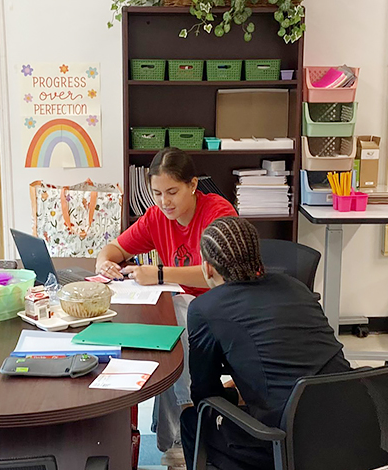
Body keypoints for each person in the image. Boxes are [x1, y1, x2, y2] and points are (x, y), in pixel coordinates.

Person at [95, 147, 236, 466]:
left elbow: (215, 272)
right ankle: (171, 437)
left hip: (222, 307)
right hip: (183, 306)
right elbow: (116, 247)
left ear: (193, 185)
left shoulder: (218, 212)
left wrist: (158, 273)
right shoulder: (157, 216)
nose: (164, 201)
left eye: (172, 191)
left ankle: (183, 425)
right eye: (156, 193)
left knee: (178, 321)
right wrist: (105, 262)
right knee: (165, 329)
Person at [180, 217, 351, 470]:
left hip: (287, 443)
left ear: (207, 268)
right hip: (355, 427)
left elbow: (205, 393)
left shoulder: (204, 308)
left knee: (192, 418)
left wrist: (233, 394)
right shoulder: (297, 287)